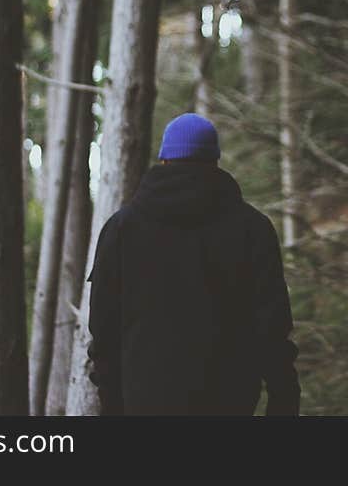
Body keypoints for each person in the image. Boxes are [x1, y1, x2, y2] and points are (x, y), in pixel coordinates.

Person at [87, 112, 300, 415]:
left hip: (143, 405)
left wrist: (112, 405)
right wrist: (284, 403)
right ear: (214, 161)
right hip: (229, 405)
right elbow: (273, 329)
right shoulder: (253, 229)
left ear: (163, 160)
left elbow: (103, 332)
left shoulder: (122, 228)